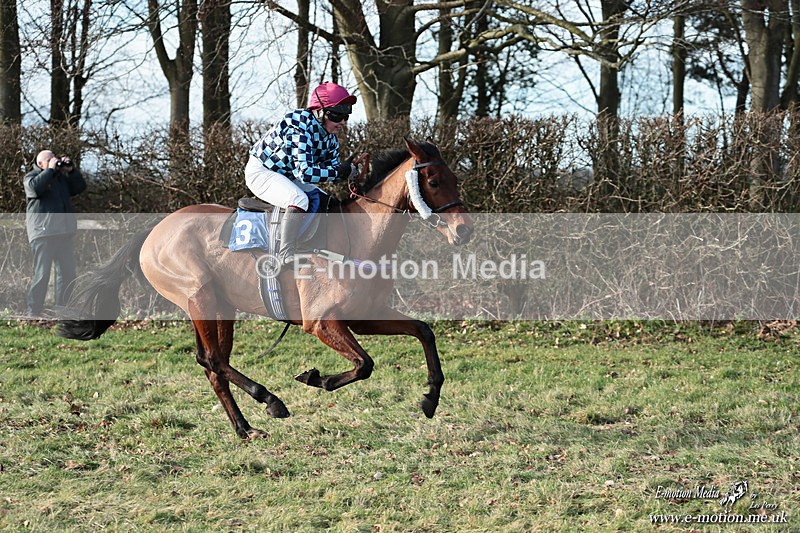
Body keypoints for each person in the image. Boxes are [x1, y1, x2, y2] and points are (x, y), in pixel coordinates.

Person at [246, 82, 359, 266]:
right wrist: (338, 171)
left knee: (326, 200)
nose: (343, 122)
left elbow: (331, 172)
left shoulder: (330, 138)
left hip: (287, 176)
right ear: (320, 112)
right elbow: (305, 173)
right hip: (261, 172)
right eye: (337, 115)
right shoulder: (299, 123)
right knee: (298, 200)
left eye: (346, 116)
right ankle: (285, 254)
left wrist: (350, 172)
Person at [23, 149, 86, 317]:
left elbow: (80, 187)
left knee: (67, 274)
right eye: (49, 159)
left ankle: (62, 311)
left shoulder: (60, 180)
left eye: (54, 158)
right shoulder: (31, 178)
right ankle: (33, 312)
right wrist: (50, 170)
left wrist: (71, 171)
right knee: (42, 274)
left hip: (63, 233)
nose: (54, 161)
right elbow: (36, 189)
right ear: (40, 163)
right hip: (42, 233)